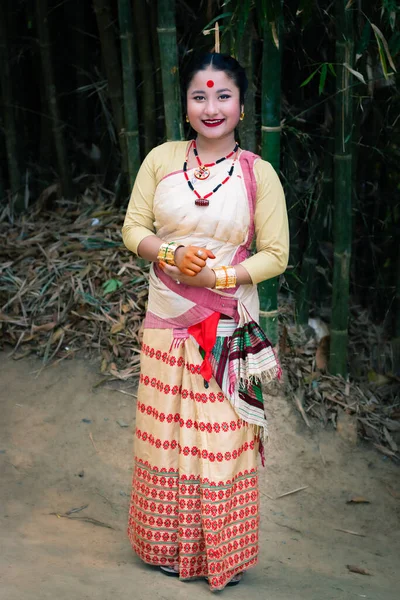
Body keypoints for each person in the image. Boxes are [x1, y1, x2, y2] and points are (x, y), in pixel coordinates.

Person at [122, 52, 289, 591]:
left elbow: (277, 254)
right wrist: (170, 257)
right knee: (166, 431)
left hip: (225, 322)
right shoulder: (160, 160)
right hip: (165, 318)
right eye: (200, 96)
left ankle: (218, 553)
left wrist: (219, 278)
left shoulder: (258, 174)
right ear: (185, 105)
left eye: (223, 96)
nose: (211, 107)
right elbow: (133, 229)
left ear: (241, 105)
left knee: (219, 439)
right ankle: (165, 546)